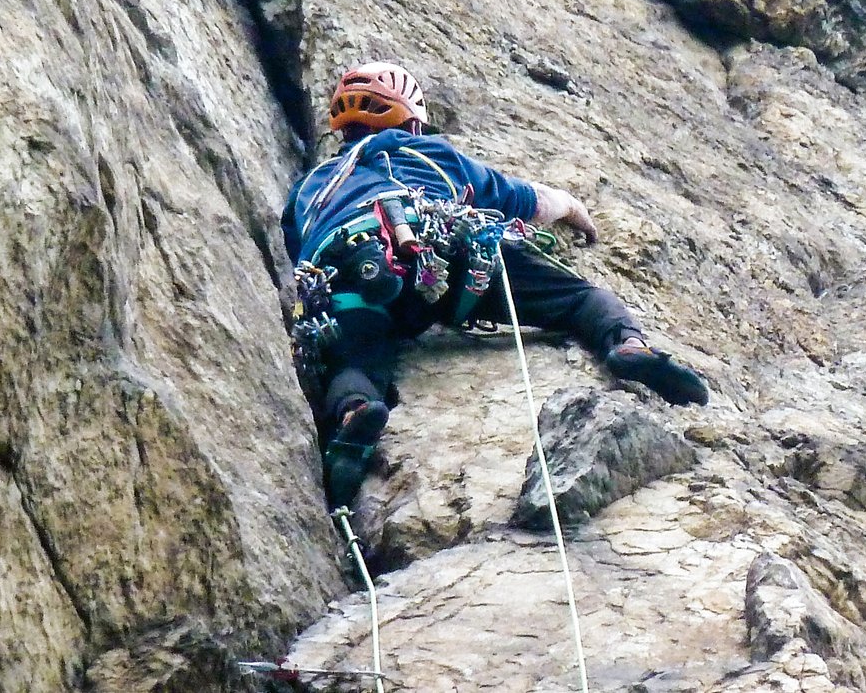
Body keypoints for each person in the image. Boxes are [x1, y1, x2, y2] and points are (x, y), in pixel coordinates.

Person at [283, 62, 709, 508]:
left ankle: (355, 410)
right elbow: (526, 202)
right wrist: (569, 204)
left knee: (354, 356)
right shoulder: (426, 153)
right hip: (440, 251)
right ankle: (627, 345)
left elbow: (299, 252)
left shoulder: (308, 188)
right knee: (578, 298)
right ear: (411, 119)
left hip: (349, 274)